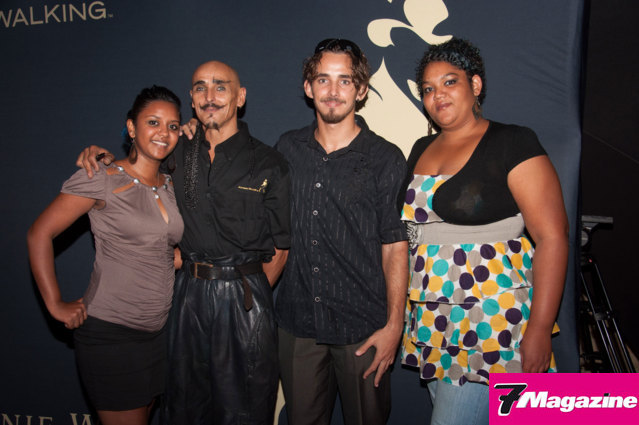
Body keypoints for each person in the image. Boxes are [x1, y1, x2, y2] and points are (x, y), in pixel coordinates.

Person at [76, 61, 291, 425]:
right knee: (185, 408)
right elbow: (136, 170)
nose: (210, 96)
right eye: (200, 87)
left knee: (245, 409)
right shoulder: (175, 151)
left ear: (240, 97)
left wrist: (245, 296)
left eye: (221, 86)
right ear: (192, 99)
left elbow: (281, 248)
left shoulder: (271, 163)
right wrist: (102, 157)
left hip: (246, 300)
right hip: (187, 297)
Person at [400, 38, 569, 425]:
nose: (438, 95)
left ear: (475, 85)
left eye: (450, 82)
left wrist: (540, 328)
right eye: (428, 88)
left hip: (491, 316)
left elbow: (553, 236)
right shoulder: (421, 147)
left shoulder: (512, 141)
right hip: (434, 319)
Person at [27, 85, 184, 425]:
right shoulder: (103, 177)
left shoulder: (170, 185)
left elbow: (163, 251)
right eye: (153, 122)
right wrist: (54, 303)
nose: (164, 132)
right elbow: (39, 233)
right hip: (111, 334)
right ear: (131, 128)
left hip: (157, 335)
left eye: (172, 126)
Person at [274, 39, 409, 425]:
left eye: (345, 80)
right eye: (323, 79)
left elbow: (395, 247)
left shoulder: (384, 158)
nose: (333, 91)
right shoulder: (287, 149)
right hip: (298, 324)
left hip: (363, 328)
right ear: (308, 87)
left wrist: (394, 326)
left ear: (361, 90)